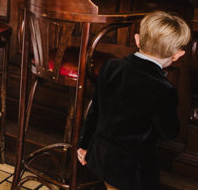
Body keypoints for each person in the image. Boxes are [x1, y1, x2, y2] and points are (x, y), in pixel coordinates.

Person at [77, 10, 191, 190]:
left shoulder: (111, 66)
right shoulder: (163, 89)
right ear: (177, 55)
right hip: (133, 171)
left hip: (101, 156)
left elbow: (95, 110)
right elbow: (168, 133)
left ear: (137, 39)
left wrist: (84, 145)